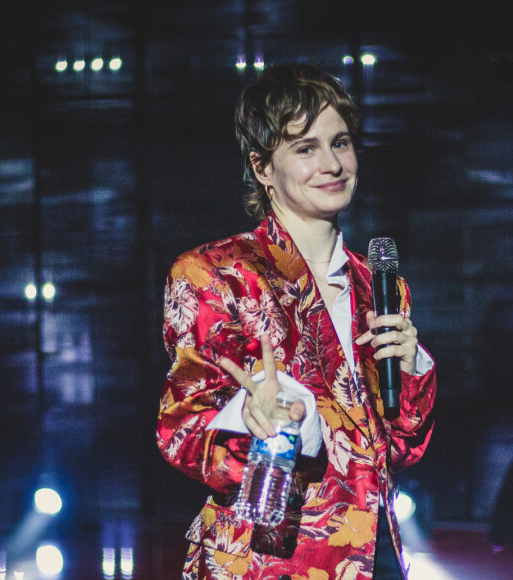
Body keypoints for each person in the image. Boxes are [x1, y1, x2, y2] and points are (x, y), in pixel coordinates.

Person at [157, 63, 436, 580]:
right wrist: (254, 421)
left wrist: (411, 368)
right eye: (305, 148)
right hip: (270, 558)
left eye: (341, 143)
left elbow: (400, 447)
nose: (332, 163)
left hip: (375, 555)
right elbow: (184, 432)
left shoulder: (380, 286)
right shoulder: (216, 273)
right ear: (263, 168)